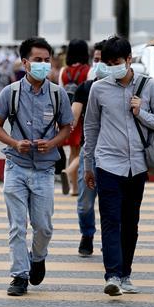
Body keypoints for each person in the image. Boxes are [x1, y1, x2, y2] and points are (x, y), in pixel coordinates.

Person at [83, 36, 154, 296]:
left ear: (129, 60)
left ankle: (126, 273)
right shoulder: (98, 89)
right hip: (107, 164)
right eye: (108, 63)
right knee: (110, 219)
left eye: (117, 62)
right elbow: (91, 127)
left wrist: (140, 112)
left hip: (137, 166)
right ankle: (112, 275)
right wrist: (88, 165)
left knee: (130, 222)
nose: (112, 67)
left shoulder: (149, 86)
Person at [0, 37, 73, 297]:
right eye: (38, 60)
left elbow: (67, 129)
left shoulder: (58, 94)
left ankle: (38, 257)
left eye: (47, 61)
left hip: (45, 170)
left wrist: (52, 144)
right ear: (25, 62)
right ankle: (19, 275)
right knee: (17, 226)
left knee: (43, 226)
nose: (43, 65)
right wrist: (15, 143)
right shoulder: (10, 92)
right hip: (15, 166)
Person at [71, 43, 107, 257]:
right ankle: (87, 233)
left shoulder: (122, 89)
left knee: (110, 202)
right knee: (85, 204)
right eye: (96, 59)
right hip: (90, 152)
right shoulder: (85, 88)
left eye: (103, 59)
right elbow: (74, 116)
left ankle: (110, 240)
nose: (99, 64)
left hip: (114, 152)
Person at [60, 39, 92, 196]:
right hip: (84, 115)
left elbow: (60, 93)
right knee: (83, 151)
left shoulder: (63, 71)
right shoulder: (88, 70)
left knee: (72, 151)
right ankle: (70, 172)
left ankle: (74, 188)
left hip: (68, 114)